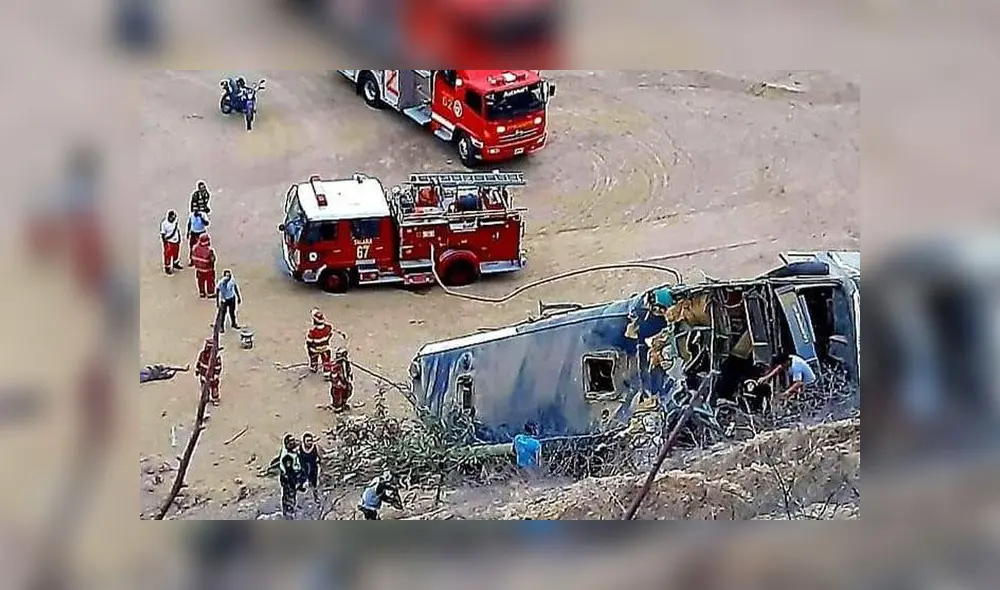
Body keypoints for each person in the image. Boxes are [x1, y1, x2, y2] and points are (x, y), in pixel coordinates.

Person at [278, 434, 303, 520]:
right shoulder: (287, 457)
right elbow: (289, 472)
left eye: (293, 440)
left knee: (292, 498)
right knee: (289, 499)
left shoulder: (292, 453)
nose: (293, 442)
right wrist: (295, 483)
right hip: (289, 481)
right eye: (291, 441)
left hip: (292, 479)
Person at [306, 309, 334, 380]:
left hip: (315, 349)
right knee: (326, 359)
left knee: (312, 355)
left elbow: (309, 342)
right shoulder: (328, 328)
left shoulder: (312, 332)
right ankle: (327, 372)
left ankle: (314, 366)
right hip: (325, 348)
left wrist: (310, 348)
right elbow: (330, 334)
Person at [195, 339, 223, 405]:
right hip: (203, 375)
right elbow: (199, 362)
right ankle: (205, 397)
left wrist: (216, 375)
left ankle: (215, 398)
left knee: (214, 387)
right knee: (204, 387)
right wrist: (197, 370)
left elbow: (218, 366)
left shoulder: (216, 357)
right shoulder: (202, 354)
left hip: (212, 376)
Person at [190, 234, 217, 299]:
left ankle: (202, 293)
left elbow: (192, 257)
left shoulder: (195, 248)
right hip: (208, 269)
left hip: (199, 269)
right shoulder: (209, 250)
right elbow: (212, 259)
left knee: (200, 281)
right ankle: (210, 293)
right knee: (210, 281)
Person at [298, 432, 322, 502]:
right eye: (308, 441)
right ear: (304, 441)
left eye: (311, 440)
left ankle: (315, 497)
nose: (310, 442)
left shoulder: (315, 448)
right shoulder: (300, 448)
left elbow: (320, 458)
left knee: (314, 483)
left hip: (313, 468)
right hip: (303, 468)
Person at [328, 348, 354, 412]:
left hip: (345, 381)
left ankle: (343, 403)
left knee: (347, 391)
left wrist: (349, 376)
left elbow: (348, 370)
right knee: (337, 394)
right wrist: (338, 383)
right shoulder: (335, 365)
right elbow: (333, 375)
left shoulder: (346, 362)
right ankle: (337, 406)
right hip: (338, 384)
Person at [159, 209, 182, 274]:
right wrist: (165, 243)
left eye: (174, 218)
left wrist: (179, 238)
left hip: (176, 241)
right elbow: (163, 234)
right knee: (168, 255)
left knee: (176, 253)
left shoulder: (175, 222)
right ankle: (167, 267)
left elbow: (177, 230)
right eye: (172, 218)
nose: (173, 219)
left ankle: (175, 263)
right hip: (169, 242)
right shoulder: (164, 224)